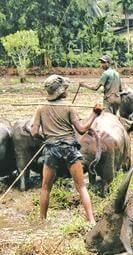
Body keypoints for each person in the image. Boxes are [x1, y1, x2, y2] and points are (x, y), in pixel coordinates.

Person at [31, 74, 102, 224]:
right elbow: (82, 129)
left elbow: (34, 132)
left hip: (52, 150)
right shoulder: (69, 107)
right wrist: (94, 114)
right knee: (81, 186)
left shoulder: (41, 108)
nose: (67, 90)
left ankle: (42, 221)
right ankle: (91, 221)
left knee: (45, 187)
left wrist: (46, 140)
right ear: (61, 91)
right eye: (65, 88)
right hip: (70, 149)